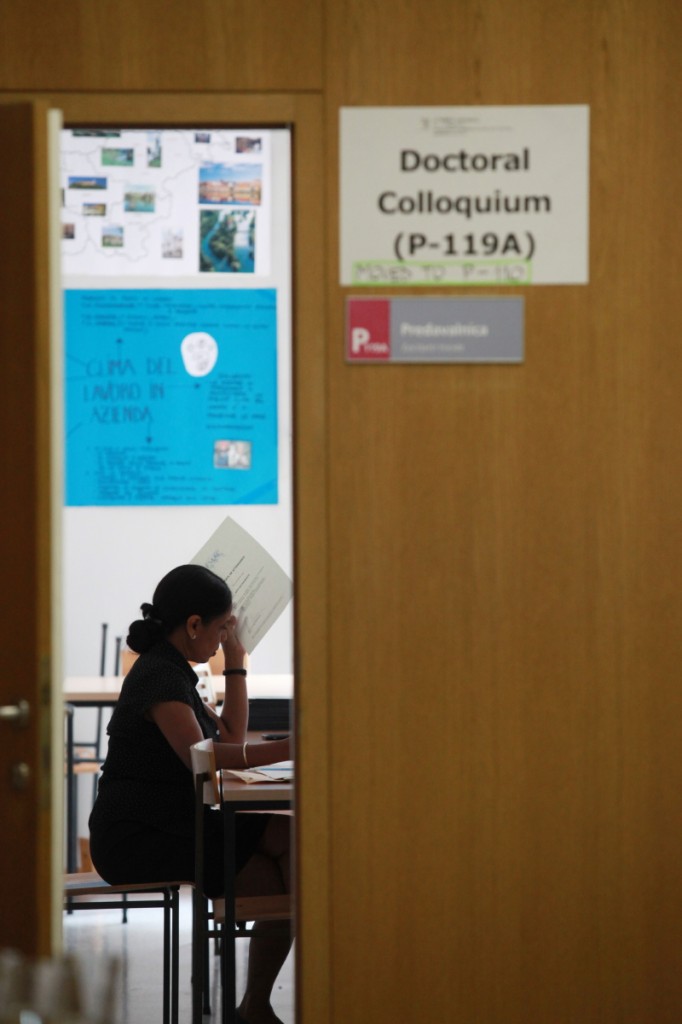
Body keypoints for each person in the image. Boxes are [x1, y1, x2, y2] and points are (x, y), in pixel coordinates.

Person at [89, 564, 292, 1024]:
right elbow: (207, 758)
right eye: (222, 630)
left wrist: (236, 661)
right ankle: (255, 1007)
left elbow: (231, 735)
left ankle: (255, 1005)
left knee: (291, 846)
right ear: (194, 624)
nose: (223, 640)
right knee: (282, 873)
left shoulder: (174, 668)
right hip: (136, 836)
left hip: (173, 821)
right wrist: (291, 747)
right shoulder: (160, 677)